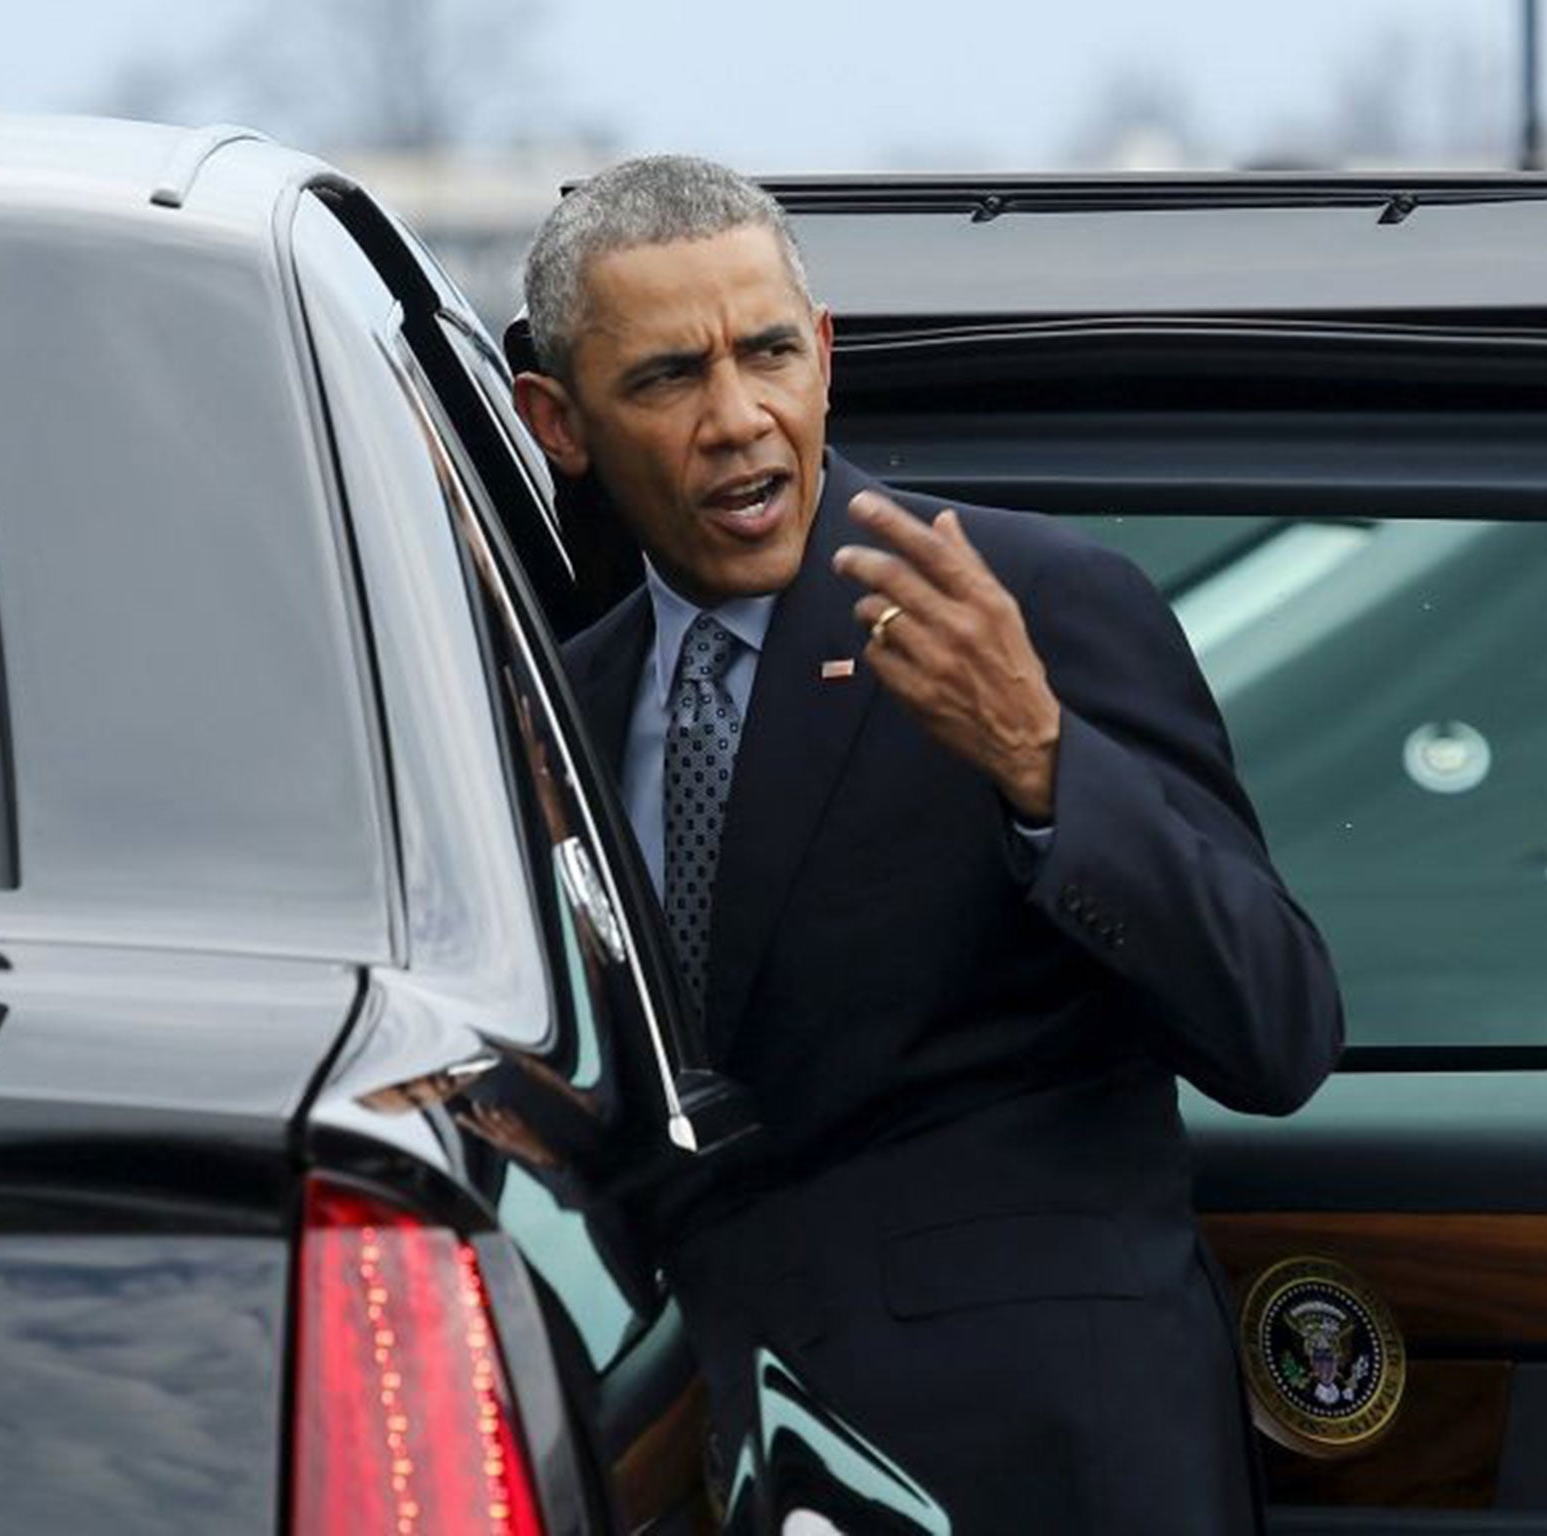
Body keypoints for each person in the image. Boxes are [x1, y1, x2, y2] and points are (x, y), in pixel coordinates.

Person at [512, 155, 1342, 1533]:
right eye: (667, 379)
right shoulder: (556, 707)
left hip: (1049, 1463)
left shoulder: (1035, 605)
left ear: (824, 357)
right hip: (704, 1459)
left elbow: (1280, 1029)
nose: (738, 419)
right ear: (559, 419)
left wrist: (1045, 764)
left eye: (770, 353)